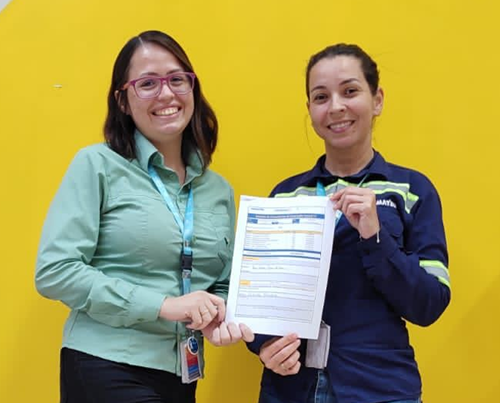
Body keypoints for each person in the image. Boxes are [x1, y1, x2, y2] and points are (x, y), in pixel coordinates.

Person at [35, 30, 253, 403]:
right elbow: (55, 271)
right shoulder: (97, 164)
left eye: (177, 79)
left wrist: (217, 316)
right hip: (106, 361)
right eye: (148, 83)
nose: (166, 94)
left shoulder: (218, 189)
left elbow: (220, 281)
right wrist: (164, 306)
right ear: (122, 100)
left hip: (182, 373)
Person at [247, 44, 450, 403]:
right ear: (310, 110)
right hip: (290, 389)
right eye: (321, 96)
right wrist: (264, 346)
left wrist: (375, 237)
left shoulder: (412, 190)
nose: (336, 106)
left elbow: (429, 303)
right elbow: (257, 301)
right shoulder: (285, 196)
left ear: (377, 100)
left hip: (381, 388)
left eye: (350, 91)